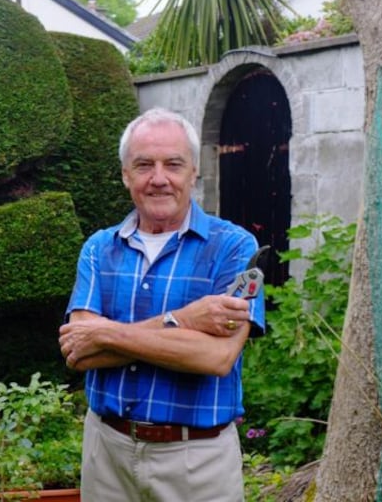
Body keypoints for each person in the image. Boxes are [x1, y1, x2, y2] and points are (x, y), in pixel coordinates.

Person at [57, 107, 265, 502]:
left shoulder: (235, 248)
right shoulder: (99, 248)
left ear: (193, 172)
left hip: (197, 462)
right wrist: (185, 320)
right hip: (107, 454)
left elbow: (216, 357)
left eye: (173, 164)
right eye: (143, 165)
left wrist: (105, 332)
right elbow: (79, 352)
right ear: (125, 175)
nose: (158, 178)